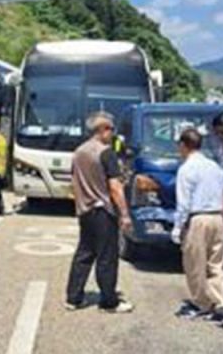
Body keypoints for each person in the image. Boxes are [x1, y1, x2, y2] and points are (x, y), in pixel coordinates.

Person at [65, 111, 135, 314]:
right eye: (111, 129)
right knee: (107, 256)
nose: (113, 134)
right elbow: (115, 186)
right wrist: (124, 214)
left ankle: (73, 297)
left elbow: (74, 180)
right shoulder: (106, 153)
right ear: (102, 129)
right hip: (103, 210)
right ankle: (109, 301)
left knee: (84, 253)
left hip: (85, 209)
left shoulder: (79, 152)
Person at [172, 128, 223, 329]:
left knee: (195, 265)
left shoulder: (187, 169)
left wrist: (178, 227)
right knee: (216, 264)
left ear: (184, 145)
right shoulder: (215, 167)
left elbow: (184, 203)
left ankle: (202, 303)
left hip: (197, 219)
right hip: (217, 217)